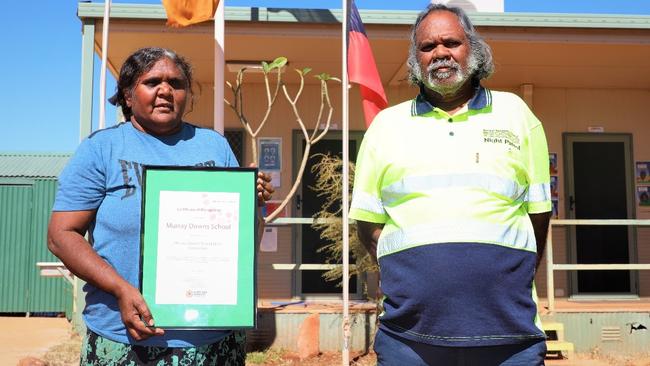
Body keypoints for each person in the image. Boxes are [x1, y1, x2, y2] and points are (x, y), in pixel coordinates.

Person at [349, 4, 551, 365]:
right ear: (416, 60)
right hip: (408, 340)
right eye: (427, 47)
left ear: (473, 48)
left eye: (451, 42)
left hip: (509, 337)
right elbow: (367, 225)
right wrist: (414, 275)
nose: (440, 53)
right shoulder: (386, 127)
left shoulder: (517, 115)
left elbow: (539, 217)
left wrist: (504, 281)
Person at [47, 47, 274, 365]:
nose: (166, 90)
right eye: (152, 81)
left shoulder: (215, 146)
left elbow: (244, 242)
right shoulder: (101, 149)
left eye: (176, 83)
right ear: (128, 95)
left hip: (213, 341)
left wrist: (253, 203)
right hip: (125, 339)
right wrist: (120, 288)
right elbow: (61, 235)